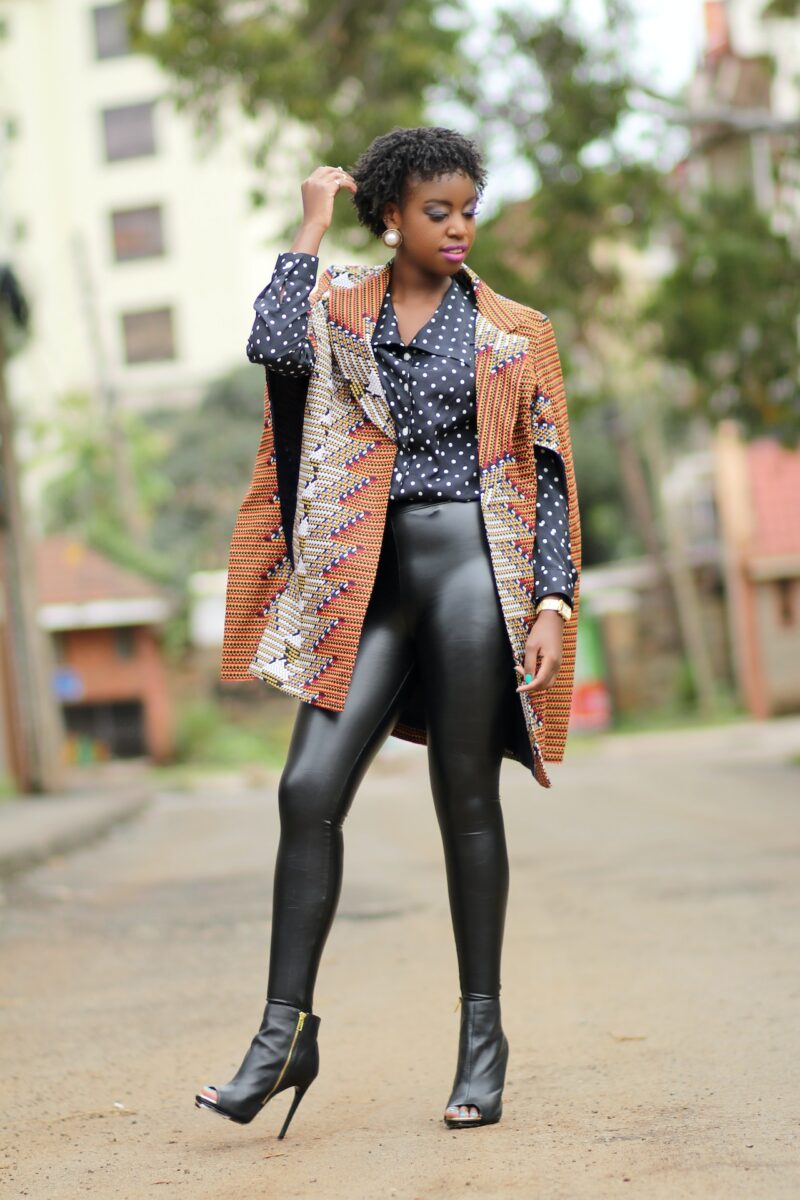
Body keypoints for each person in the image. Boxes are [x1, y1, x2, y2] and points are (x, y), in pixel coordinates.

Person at [195, 126, 580, 1138]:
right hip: (360, 581)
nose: (455, 228)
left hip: (468, 572)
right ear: (388, 217)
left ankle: (481, 1049)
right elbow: (271, 348)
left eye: (465, 209)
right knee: (305, 789)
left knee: (465, 801)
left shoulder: (512, 329)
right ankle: (281, 1040)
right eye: (433, 211)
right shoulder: (336, 307)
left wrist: (550, 600)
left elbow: (544, 470)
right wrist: (307, 233)